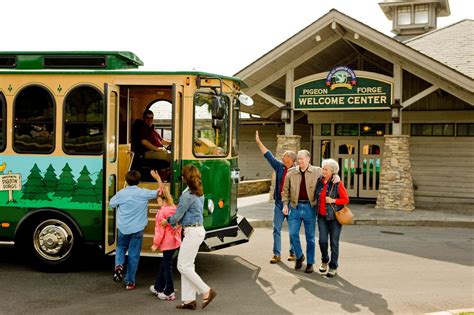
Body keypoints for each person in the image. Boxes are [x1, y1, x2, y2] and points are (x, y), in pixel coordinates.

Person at [160, 165, 216, 310]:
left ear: (185, 179)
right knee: (188, 266)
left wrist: (168, 221)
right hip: (196, 230)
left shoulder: (187, 196)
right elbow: (186, 214)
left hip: (192, 232)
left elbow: (178, 215)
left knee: (182, 266)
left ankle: (206, 291)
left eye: (182, 175)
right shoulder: (198, 192)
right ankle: (189, 300)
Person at [111, 169, 161, 290]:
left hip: (123, 227)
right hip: (138, 228)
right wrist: (158, 178)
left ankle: (118, 266)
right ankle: (130, 282)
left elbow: (111, 204)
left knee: (121, 247)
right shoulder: (144, 193)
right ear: (139, 181)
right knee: (133, 255)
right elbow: (160, 192)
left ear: (127, 181)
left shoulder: (121, 193)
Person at [255, 130, 296, 264]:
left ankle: (293, 252)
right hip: (279, 203)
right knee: (276, 229)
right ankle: (276, 254)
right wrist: (258, 142)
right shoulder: (279, 166)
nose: (282, 158)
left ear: (290, 159)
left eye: (284, 156)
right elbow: (268, 155)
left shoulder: (297, 170)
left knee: (293, 230)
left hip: (292, 204)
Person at [282, 150, 321, 274]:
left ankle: (310, 263)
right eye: (298, 159)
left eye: (302, 159)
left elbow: (331, 173)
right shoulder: (290, 173)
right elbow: (285, 190)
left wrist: (336, 176)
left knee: (310, 238)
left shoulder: (317, 171)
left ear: (308, 159)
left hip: (310, 207)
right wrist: (285, 204)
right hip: (295, 206)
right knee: (293, 234)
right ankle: (299, 256)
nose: (300, 161)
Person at [315, 159, 349, 278]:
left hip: (335, 217)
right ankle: (325, 260)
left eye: (326, 169)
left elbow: (346, 200)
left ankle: (333, 267)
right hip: (322, 216)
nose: (323, 171)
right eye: (323, 168)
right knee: (322, 241)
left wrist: (333, 200)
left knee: (334, 242)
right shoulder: (319, 181)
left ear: (332, 171)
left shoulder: (337, 183)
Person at [149, 184, 182, 301]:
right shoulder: (176, 208)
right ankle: (158, 286)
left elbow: (159, 231)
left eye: (158, 199)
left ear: (161, 200)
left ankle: (169, 291)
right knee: (165, 264)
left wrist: (155, 244)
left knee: (167, 267)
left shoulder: (162, 212)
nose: (157, 202)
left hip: (166, 243)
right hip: (175, 241)